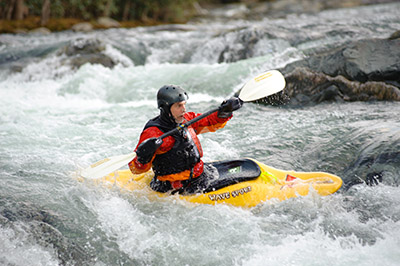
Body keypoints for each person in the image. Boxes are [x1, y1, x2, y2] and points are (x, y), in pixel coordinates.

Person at [128, 85, 242, 193]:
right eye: (178, 106)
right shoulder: (153, 133)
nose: (183, 109)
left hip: (199, 176)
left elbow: (210, 121)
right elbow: (136, 169)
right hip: (173, 188)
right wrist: (143, 157)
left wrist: (225, 111)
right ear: (166, 108)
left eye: (184, 104)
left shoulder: (187, 119)